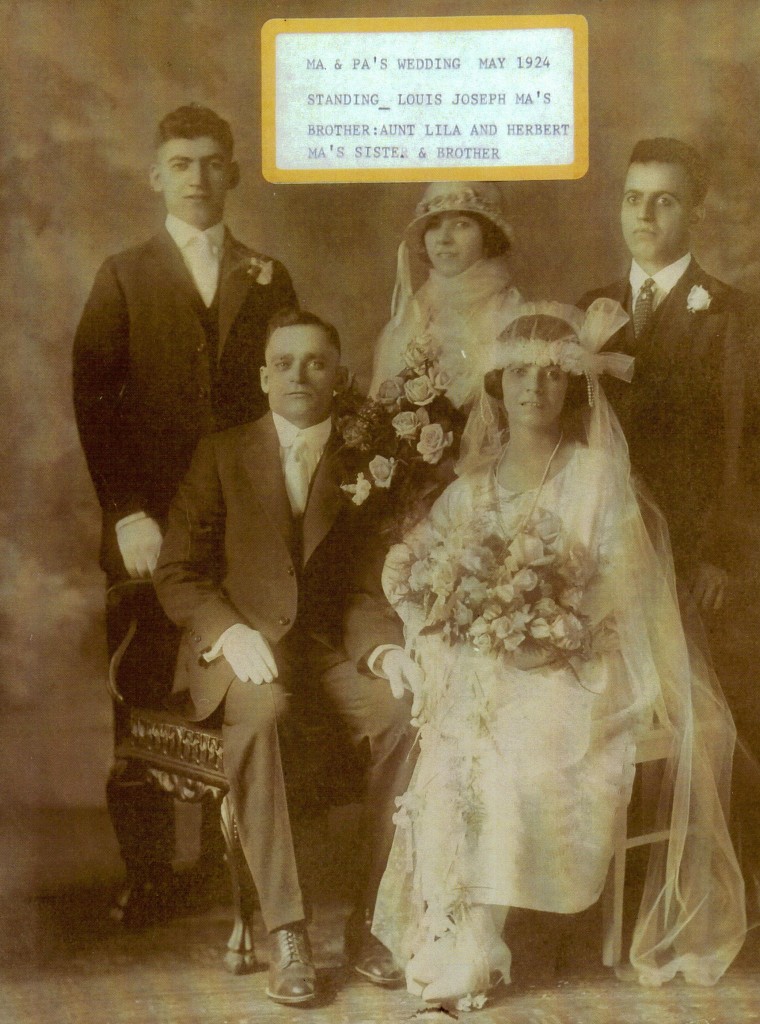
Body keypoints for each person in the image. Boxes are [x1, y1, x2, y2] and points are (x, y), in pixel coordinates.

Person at [371, 301, 760, 1011]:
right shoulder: (469, 489)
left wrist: (544, 629)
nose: (532, 389)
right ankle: (452, 927)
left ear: (575, 388)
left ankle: (481, 943)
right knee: (449, 753)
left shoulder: (596, 477)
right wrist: (422, 611)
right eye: (517, 373)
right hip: (490, 666)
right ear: (495, 388)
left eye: (551, 376)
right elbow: (412, 565)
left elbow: (621, 585)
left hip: (580, 665)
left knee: (509, 754)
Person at [154, 309, 421, 1005]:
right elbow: (178, 571)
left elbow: (365, 583)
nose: (299, 374)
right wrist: (226, 632)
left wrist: (384, 649)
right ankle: (288, 930)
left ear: (338, 376)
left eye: (316, 362)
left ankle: (370, 921)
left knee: (403, 712)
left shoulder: (365, 462)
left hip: (330, 649)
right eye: (285, 362)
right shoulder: (221, 452)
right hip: (242, 649)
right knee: (265, 712)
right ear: (263, 374)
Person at [72, 103, 298, 924]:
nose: (198, 178)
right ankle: (150, 869)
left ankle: (228, 863)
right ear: (156, 175)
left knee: (234, 681)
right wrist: (129, 511)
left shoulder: (267, 274)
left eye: (212, 162)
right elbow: (95, 404)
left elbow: (288, 402)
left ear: (233, 171)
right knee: (141, 692)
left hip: (237, 529)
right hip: (147, 525)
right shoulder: (123, 274)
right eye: (181, 163)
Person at [578, 137, 747, 613]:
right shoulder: (588, 308)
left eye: (664, 201)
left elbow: (740, 446)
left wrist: (719, 555)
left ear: (696, 215)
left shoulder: (732, 315)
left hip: (687, 553)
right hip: (596, 545)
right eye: (633, 199)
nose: (644, 215)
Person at [368, 181, 523, 409]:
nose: (443, 238)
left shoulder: (511, 312)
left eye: (461, 224)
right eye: (434, 225)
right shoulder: (410, 316)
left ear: (488, 236)